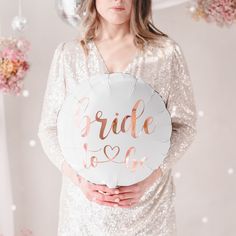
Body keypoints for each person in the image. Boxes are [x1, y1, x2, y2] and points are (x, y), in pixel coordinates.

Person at [37, 0, 197, 235]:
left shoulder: (164, 53)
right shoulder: (69, 54)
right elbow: (49, 128)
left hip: (149, 207)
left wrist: (150, 178)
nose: (118, 0)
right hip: (84, 209)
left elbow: (185, 125)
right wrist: (79, 180)